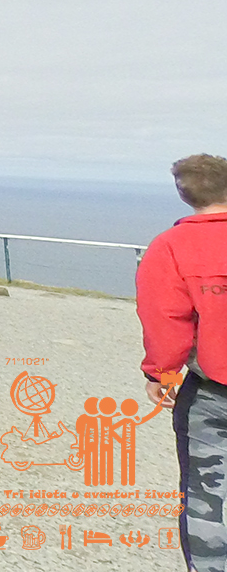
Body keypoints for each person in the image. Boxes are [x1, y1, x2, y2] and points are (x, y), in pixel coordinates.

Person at [137, 153, 227, 571]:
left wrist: (163, 374)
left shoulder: (170, 247)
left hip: (212, 392)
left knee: (208, 495)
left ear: (183, 194)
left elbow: (166, 320)